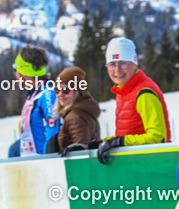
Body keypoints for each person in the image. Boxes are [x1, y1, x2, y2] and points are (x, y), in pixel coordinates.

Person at [96, 37, 171, 165]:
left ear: (134, 64)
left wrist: (119, 142)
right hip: (134, 164)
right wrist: (92, 145)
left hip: (152, 165)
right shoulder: (124, 91)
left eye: (123, 63)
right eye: (112, 64)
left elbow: (158, 137)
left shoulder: (144, 93)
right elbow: (126, 135)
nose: (117, 70)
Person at [7, 46, 59, 158]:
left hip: (41, 162)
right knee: (14, 149)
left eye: (15, 70)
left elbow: (53, 131)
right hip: (30, 159)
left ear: (23, 72)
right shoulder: (33, 94)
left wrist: (50, 160)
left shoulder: (47, 94)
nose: (15, 75)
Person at [50, 66, 101, 156]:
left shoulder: (75, 117)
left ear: (77, 91)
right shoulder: (83, 112)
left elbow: (81, 154)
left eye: (66, 90)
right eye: (57, 90)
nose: (60, 94)